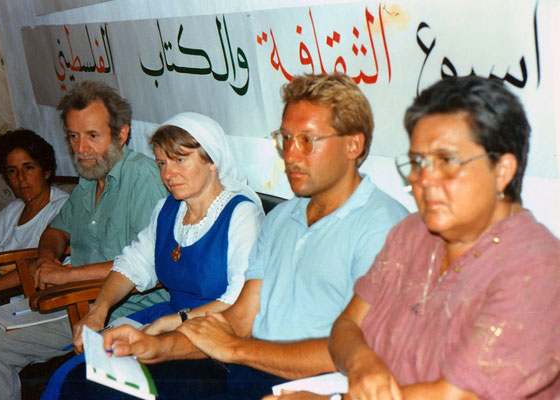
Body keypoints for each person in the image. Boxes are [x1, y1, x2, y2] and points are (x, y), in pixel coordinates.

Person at [67, 73, 408, 400]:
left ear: (353, 144)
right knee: (87, 384)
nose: (289, 155)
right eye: (285, 139)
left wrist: (232, 348)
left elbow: (363, 346)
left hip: (313, 385)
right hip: (248, 368)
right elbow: (241, 318)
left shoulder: (385, 227)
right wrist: (158, 346)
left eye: (307, 141)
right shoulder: (283, 220)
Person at [273, 76, 560, 400]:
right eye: (418, 162)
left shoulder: (538, 269)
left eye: (447, 161)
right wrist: (361, 363)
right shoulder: (411, 233)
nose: (424, 180)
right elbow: (345, 328)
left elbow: (456, 395)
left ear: (503, 171)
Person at [0, 81, 169, 400]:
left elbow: (148, 262)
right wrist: (47, 258)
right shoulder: (90, 177)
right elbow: (56, 231)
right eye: (74, 137)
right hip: (73, 298)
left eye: (92, 136)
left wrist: (66, 274)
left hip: (121, 308)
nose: (81, 149)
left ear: (121, 134)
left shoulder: (143, 179)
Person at [44, 112, 265, 398]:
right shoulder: (167, 210)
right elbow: (132, 263)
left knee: (114, 389)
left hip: (219, 341)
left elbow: (239, 301)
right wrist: (98, 311)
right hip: (171, 321)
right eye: (162, 163)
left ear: (212, 161)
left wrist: (170, 323)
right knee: (74, 375)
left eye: (179, 160)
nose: (167, 174)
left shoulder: (241, 215)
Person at [0, 129, 69, 319]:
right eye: (12, 171)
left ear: (46, 171)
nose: (20, 178)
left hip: (19, 301)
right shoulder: (15, 209)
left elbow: (40, 265)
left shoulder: (62, 209)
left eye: (28, 167)